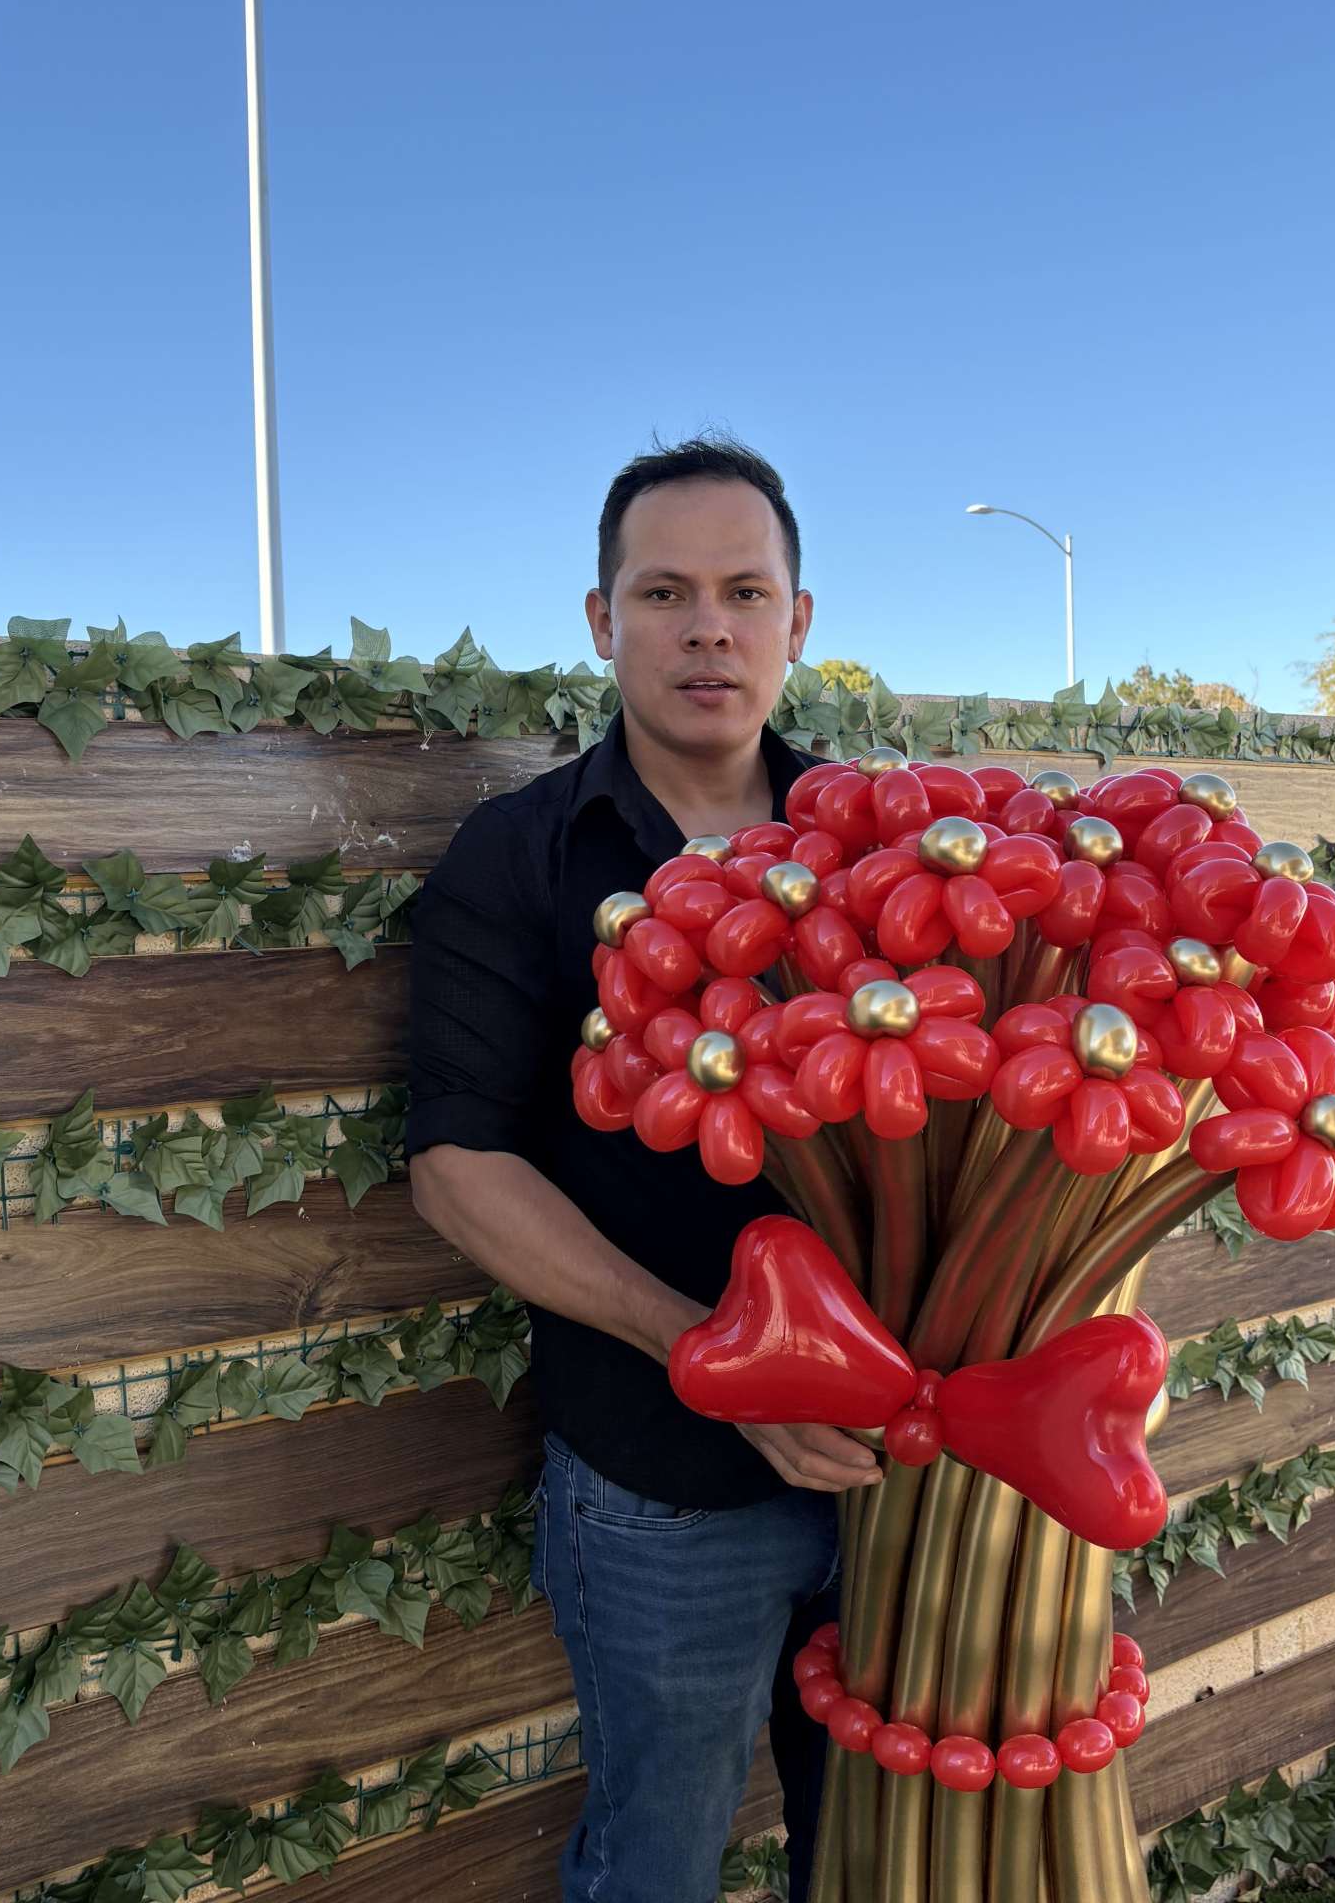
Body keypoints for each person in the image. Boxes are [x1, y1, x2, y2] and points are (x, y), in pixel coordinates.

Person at [406, 436, 882, 1901]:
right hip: (657, 1490)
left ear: (799, 622)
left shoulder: (889, 849)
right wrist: (711, 1356)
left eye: (746, 593)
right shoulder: (520, 856)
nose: (708, 629)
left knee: (877, 1855)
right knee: (656, 1865)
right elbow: (456, 1165)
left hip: (893, 1473)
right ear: (602, 620)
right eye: (664, 593)